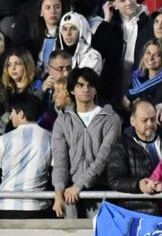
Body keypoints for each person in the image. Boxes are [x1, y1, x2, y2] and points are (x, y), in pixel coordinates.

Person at [51, 67, 120, 218]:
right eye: (80, 85)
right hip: (71, 193)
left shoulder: (111, 118)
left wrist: (79, 185)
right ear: (72, 90)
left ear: (96, 90)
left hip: (102, 190)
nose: (86, 89)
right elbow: (60, 160)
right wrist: (58, 193)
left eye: (90, 85)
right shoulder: (62, 121)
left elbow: (103, 158)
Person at [0, 92, 53, 218]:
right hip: (37, 207)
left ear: (21, 114)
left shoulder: (4, 140)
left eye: (13, 112)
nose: (11, 116)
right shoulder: (50, 138)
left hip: (5, 205)